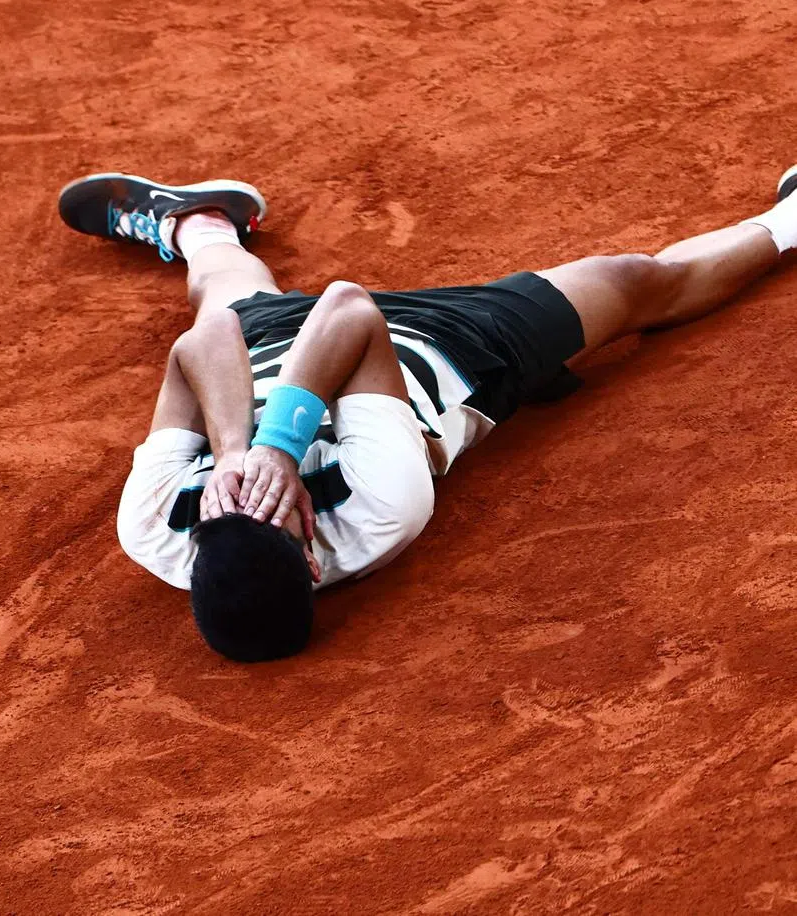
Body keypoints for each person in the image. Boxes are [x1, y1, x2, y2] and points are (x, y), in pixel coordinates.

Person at [58, 167, 797, 662]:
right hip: (436, 348)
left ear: (193, 546)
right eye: (272, 510)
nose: (253, 496)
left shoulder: (154, 525)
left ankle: (199, 222)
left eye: (230, 507)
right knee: (633, 281)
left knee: (223, 293)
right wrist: (278, 449)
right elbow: (350, 310)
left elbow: (205, 344)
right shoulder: (380, 513)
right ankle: (790, 219)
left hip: (260, 352)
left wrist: (231, 456)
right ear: (312, 558)